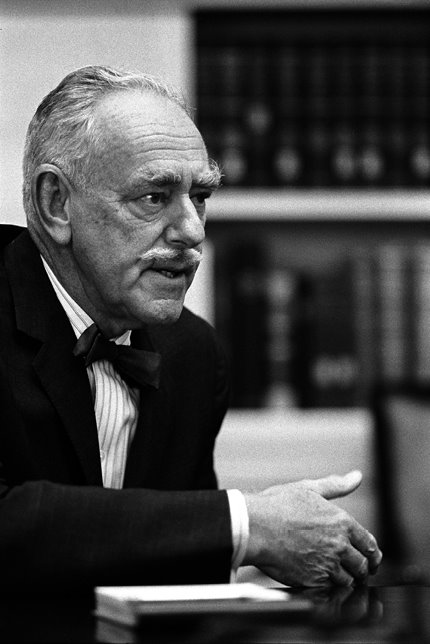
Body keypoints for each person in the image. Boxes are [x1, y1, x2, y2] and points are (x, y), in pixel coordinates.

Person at [0, 65, 382, 592]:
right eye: (154, 197)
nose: (192, 231)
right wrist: (244, 524)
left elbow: (167, 561)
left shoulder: (193, 354)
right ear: (56, 204)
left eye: (199, 196)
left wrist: (258, 542)